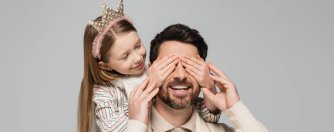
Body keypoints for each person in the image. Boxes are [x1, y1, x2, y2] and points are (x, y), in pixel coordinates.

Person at [78, 0, 220, 131]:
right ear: (106, 66)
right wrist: (150, 85)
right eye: (125, 56)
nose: (138, 58)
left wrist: (209, 87)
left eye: (138, 45)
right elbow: (113, 129)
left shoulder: (152, 70)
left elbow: (207, 116)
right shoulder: (103, 92)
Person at [126, 24, 268, 132]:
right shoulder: (121, 126)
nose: (180, 75)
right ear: (150, 70)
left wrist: (235, 108)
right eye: (170, 65)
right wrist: (136, 125)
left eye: (189, 65)